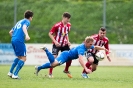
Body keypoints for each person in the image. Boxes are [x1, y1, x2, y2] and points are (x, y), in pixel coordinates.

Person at [34, 36, 109, 77]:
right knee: (53, 64)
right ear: (86, 42)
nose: (91, 46)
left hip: (68, 57)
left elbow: (95, 47)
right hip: (65, 56)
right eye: (90, 44)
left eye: (91, 44)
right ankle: (46, 50)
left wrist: (103, 48)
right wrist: (86, 68)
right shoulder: (81, 48)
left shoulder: (88, 46)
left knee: (52, 65)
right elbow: (80, 60)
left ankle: (39, 68)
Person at [7, 10, 33, 79]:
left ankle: (10, 72)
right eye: (32, 17)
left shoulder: (19, 21)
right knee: (24, 58)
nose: (31, 19)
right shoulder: (27, 21)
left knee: (19, 57)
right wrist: (27, 35)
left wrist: (15, 37)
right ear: (30, 17)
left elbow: (10, 32)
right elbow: (24, 27)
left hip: (13, 40)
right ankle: (15, 75)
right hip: (19, 40)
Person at [48, 12, 72, 78]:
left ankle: (66, 70)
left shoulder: (69, 25)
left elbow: (66, 34)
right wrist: (55, 42)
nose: (68, 21)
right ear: (64, 18)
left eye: (69, 19)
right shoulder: (57, 25)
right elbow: (50, 33)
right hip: (57, 44)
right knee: (54, 57)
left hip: (65, 44)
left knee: (70, 56)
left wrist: (68, 41)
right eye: (67, 19)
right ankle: (50, 73)